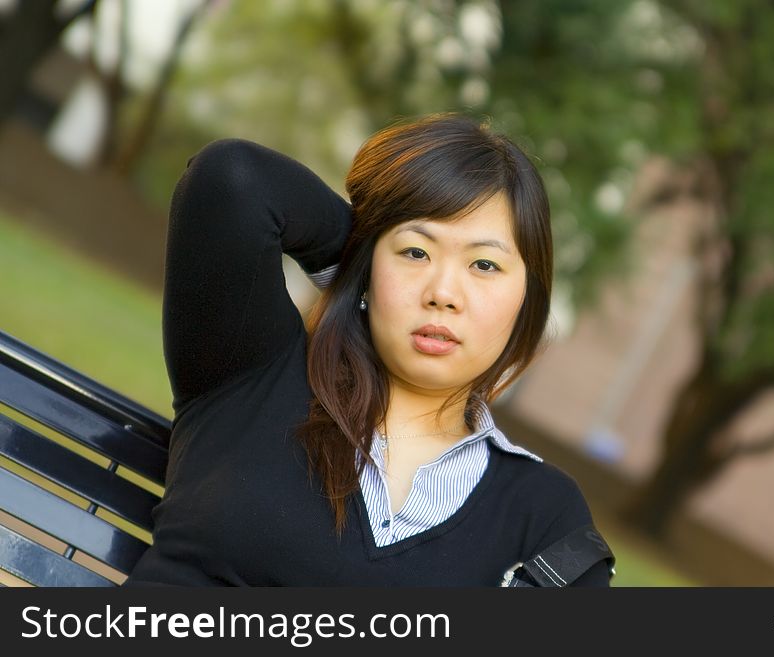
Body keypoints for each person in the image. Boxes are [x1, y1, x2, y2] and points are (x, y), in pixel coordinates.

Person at [123, 113, 613, 586]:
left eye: (484, 265)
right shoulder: (252, 374)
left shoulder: (545, 517)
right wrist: (359, 265)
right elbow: (233, 179)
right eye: (415, 252)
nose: (443, 292)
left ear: (526, 300)